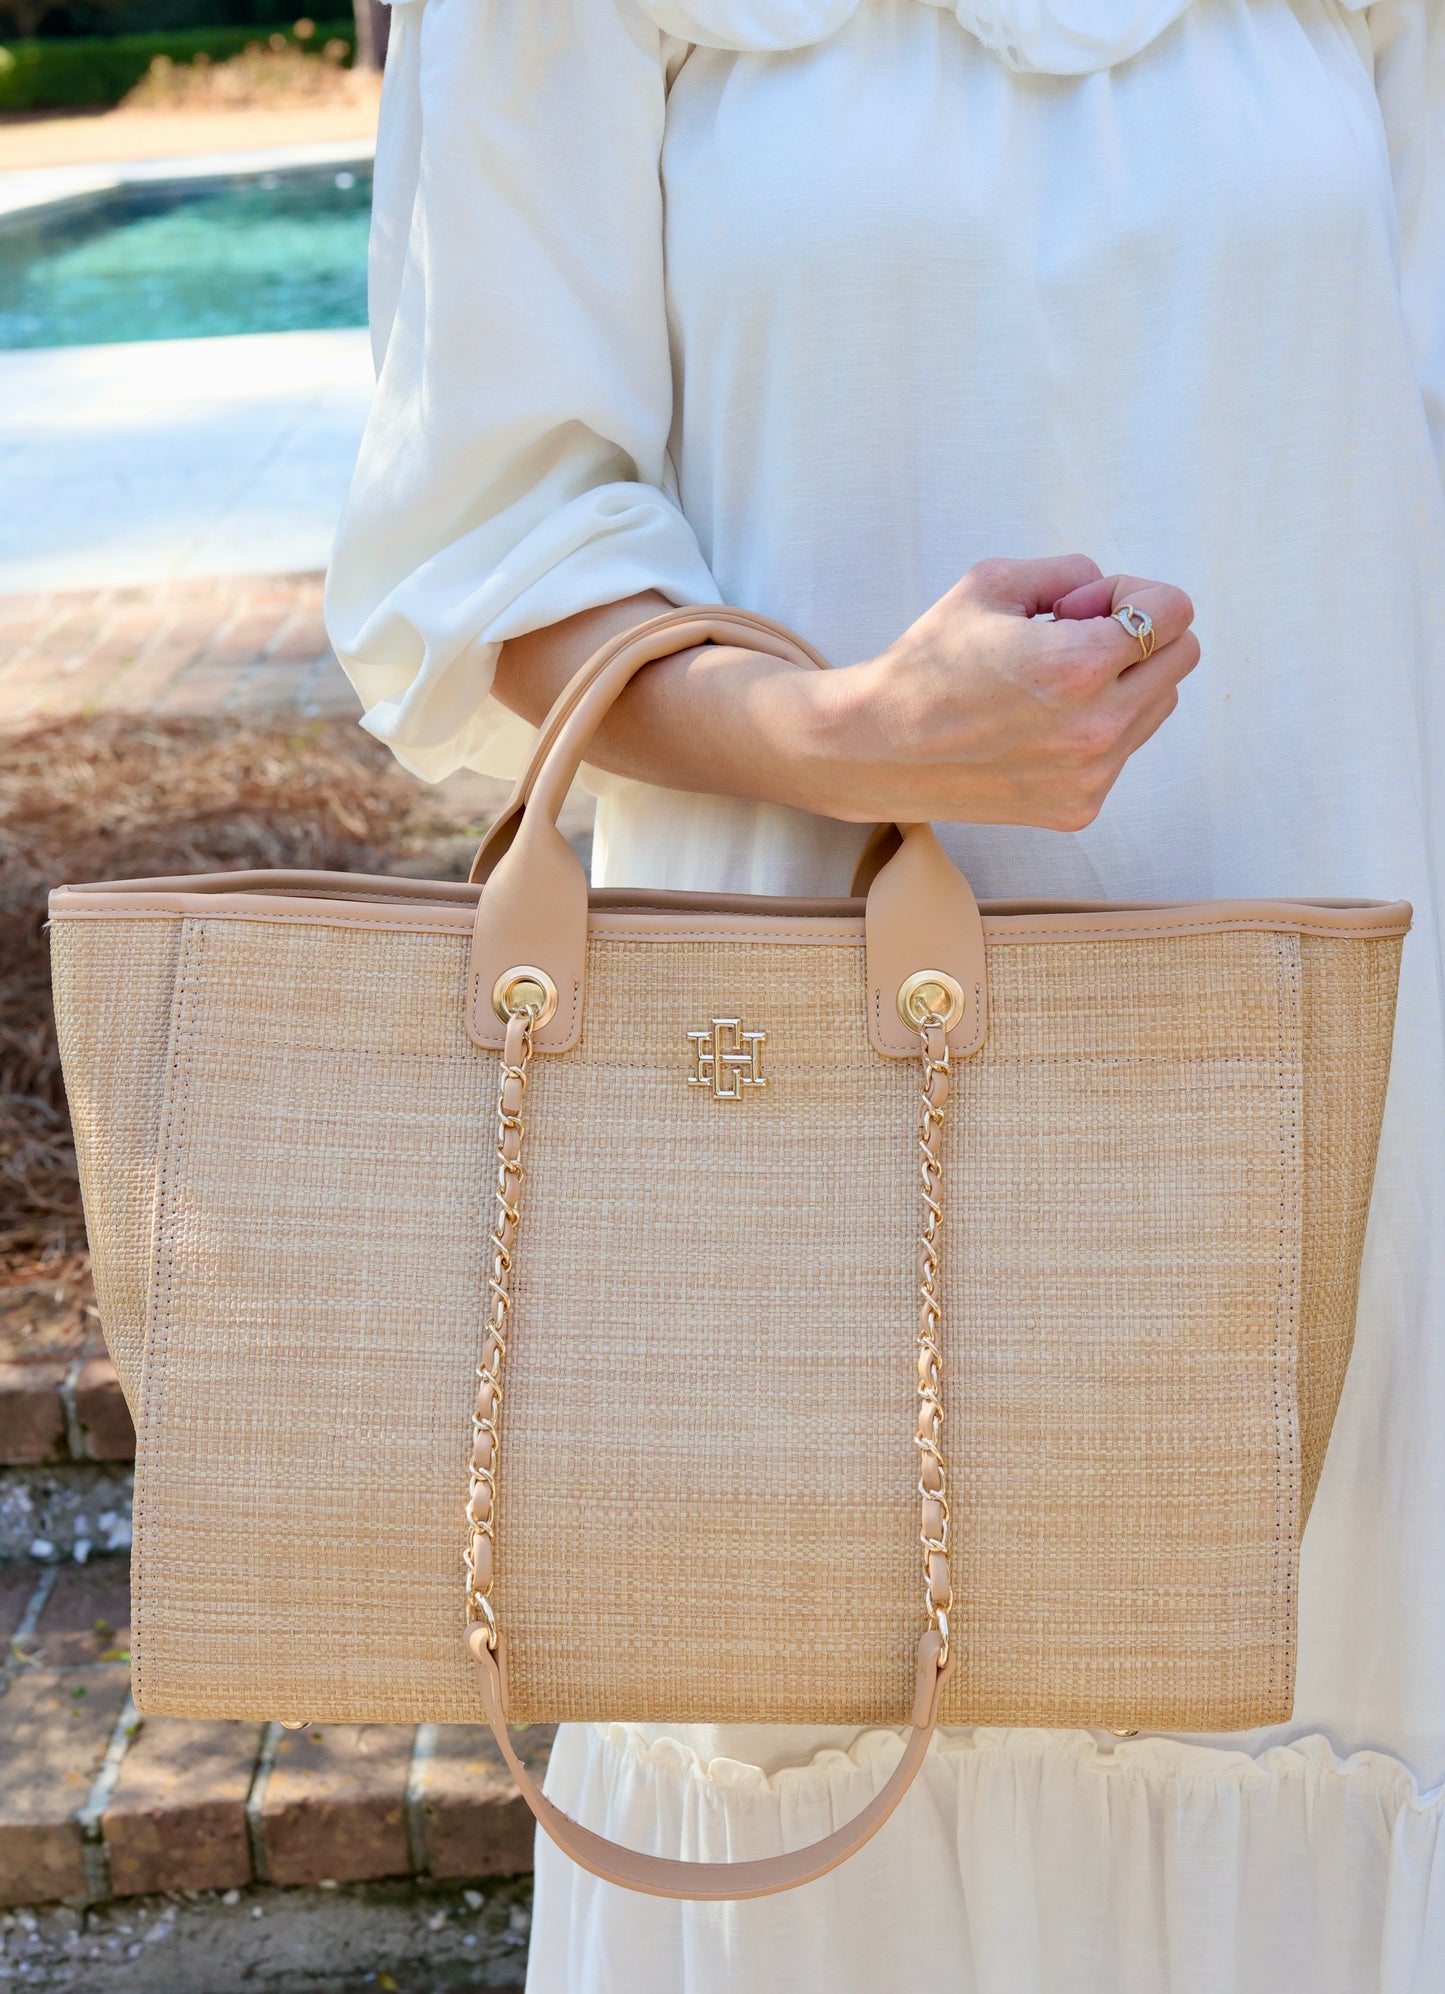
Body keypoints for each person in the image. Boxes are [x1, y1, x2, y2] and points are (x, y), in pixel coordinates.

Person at [325, 3, 1445, 1988]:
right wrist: (852, 732)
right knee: (817, 1749)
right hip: (792, 1122)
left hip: (1327, 1112)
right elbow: (489, 548)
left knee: (1318, 1691)